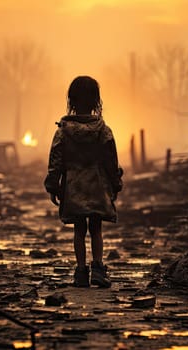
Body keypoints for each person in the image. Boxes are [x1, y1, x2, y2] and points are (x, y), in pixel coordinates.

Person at [44, 76, 123, 288]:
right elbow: (111, 161)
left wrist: (53, 185)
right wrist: (115, 184)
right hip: (97, 185)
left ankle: (80, 272)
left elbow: (56, 160)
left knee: (79, 230)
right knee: (96, 228)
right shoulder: (104, 130)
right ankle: (98, 268)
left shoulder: (63, 131)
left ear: (71, 100)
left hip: (74, 186)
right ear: (96, 101)